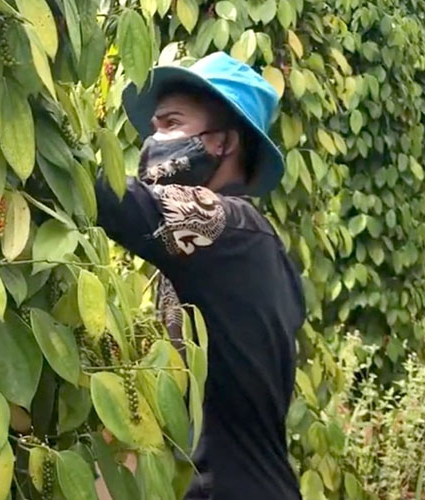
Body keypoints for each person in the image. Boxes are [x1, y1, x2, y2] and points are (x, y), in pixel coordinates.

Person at [94, 52, 305, 499]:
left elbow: (112, 199)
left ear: (223, 143)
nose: (153, 141)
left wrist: (42, 140)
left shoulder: (229, 230)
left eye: (171, 124)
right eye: (153, 128)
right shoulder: (249, 251)